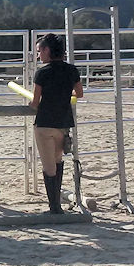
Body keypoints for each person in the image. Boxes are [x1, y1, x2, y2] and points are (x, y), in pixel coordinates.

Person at [29, 33, 83, 214]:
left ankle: (54, 206)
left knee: (48, 166)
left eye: (39, 51)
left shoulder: (42, 73)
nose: (38, 55)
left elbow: (35, 102)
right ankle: (56, 205)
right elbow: (79, 93)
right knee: (58, 160)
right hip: (63, 122)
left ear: (47, 50)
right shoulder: (71, 70)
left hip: (45, 123)